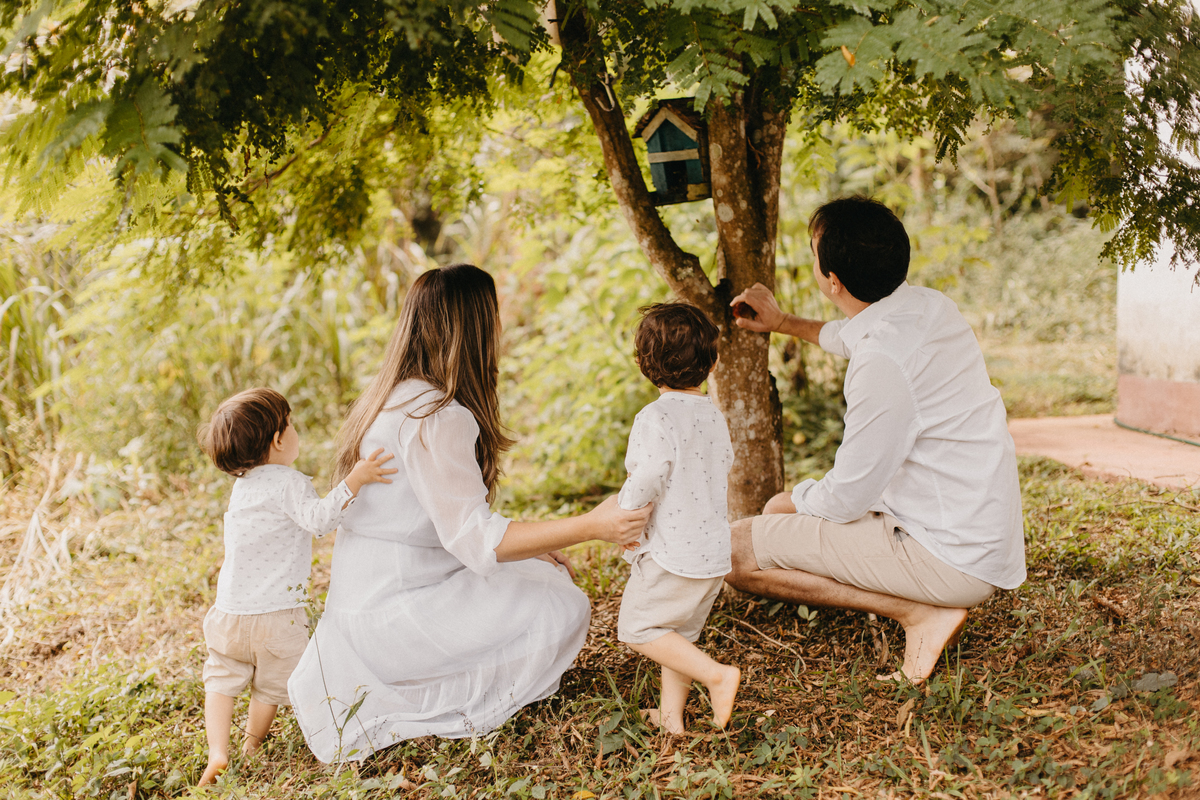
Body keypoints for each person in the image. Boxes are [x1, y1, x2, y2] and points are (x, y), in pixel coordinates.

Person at [287, 263, 652, 764]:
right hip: (394, 619)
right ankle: (433, 692)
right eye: (494, 316)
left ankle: (422, 674)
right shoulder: (436, 415)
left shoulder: (390, 398)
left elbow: (448, 520)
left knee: (538, 572)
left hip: (361, 611)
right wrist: (593, 525)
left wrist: (541, 544)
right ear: (475, 327)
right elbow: (476, 539)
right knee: (563, 604)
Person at [726, 196, 1026, 683]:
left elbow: (847, 498)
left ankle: (918, 612)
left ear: (833, 281)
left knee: (732, 551)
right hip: (973, 532)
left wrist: (797, 500)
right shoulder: (927, 307)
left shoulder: (883, 363)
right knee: (781, 505)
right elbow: (850, 334)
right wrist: (781, 323)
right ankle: (920, 603)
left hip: (949, 556)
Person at [196, 388, 396, 785]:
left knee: (221, 679)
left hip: (229, 613)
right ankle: (252, 744)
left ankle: (218, 752)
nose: (294, 431)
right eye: (291, 424)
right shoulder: (288, 482)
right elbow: (319, 520)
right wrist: (354, 481)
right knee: (269, 688)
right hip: (278, 618)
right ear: (279, 439)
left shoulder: (243, 487)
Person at [615, 303, 741, 734]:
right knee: (678, 637)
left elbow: (647, 476)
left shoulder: (655, 417)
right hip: (712, 554)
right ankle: (673, 720)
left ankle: (717, 676)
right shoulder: (713, 416)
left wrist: (625, 516)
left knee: (637, 628)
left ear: (642, 364)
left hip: (673, 554)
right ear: (713, 359)